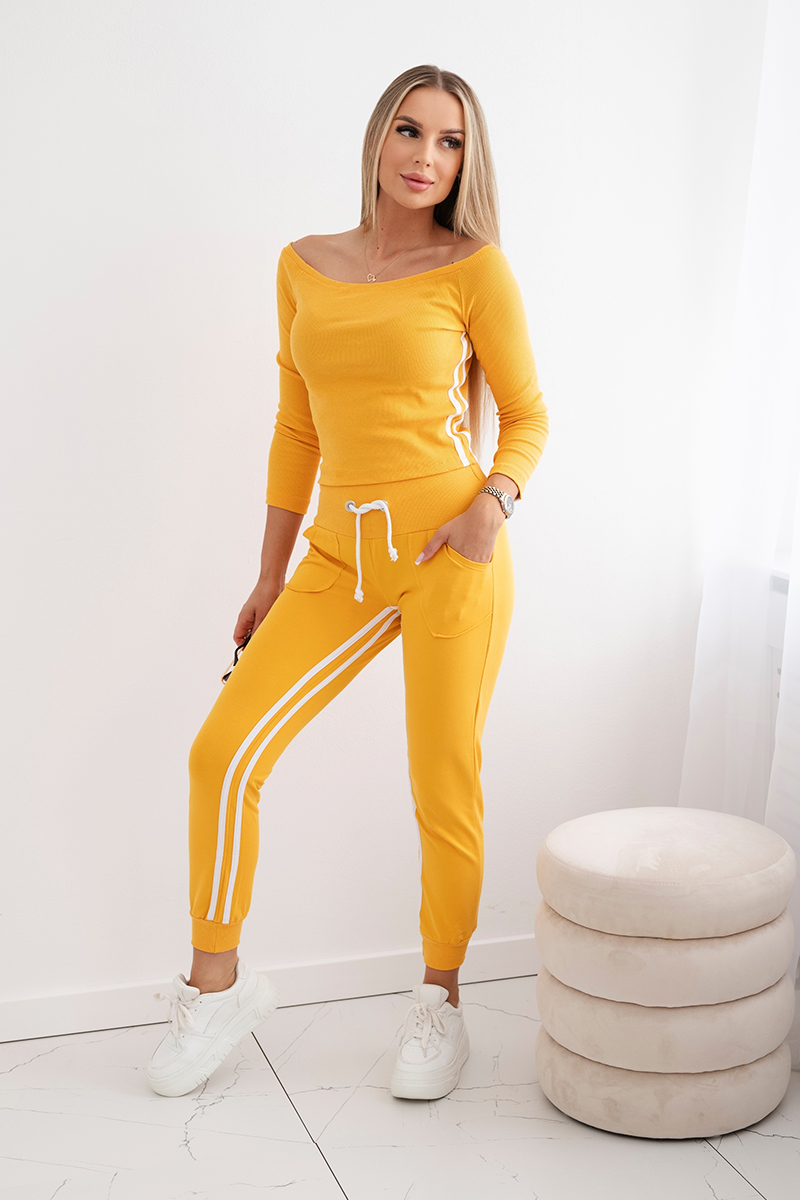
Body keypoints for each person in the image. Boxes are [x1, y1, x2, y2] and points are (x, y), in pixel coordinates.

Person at [146, 63, 549, 1101]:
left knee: (440, 784)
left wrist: (490, 505)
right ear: (377, 137)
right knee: (221, 754)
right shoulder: (302, 265)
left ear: (466, 163)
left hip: (450, 555)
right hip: (337, 558)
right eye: (410, 131)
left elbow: (527, 414)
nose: (425, 157)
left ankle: (439, 1000)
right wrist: (269, 573)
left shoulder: (474, 269)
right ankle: (215, 988)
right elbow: (297, 428)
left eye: (450, 142)